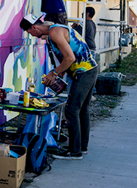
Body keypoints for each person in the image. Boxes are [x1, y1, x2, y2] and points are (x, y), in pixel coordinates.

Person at [20, 14, 98, 159]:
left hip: (83, 72)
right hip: (90, 69)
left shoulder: (54, 32)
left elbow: (70, 58)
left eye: (30, 33)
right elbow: (68, 57)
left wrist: (54, 74)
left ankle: (74, 152)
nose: (33, 36)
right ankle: (82, 147)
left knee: (71, 110)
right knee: (82, 111)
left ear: (35, 27)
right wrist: (59, 73)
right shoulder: (56, 30)